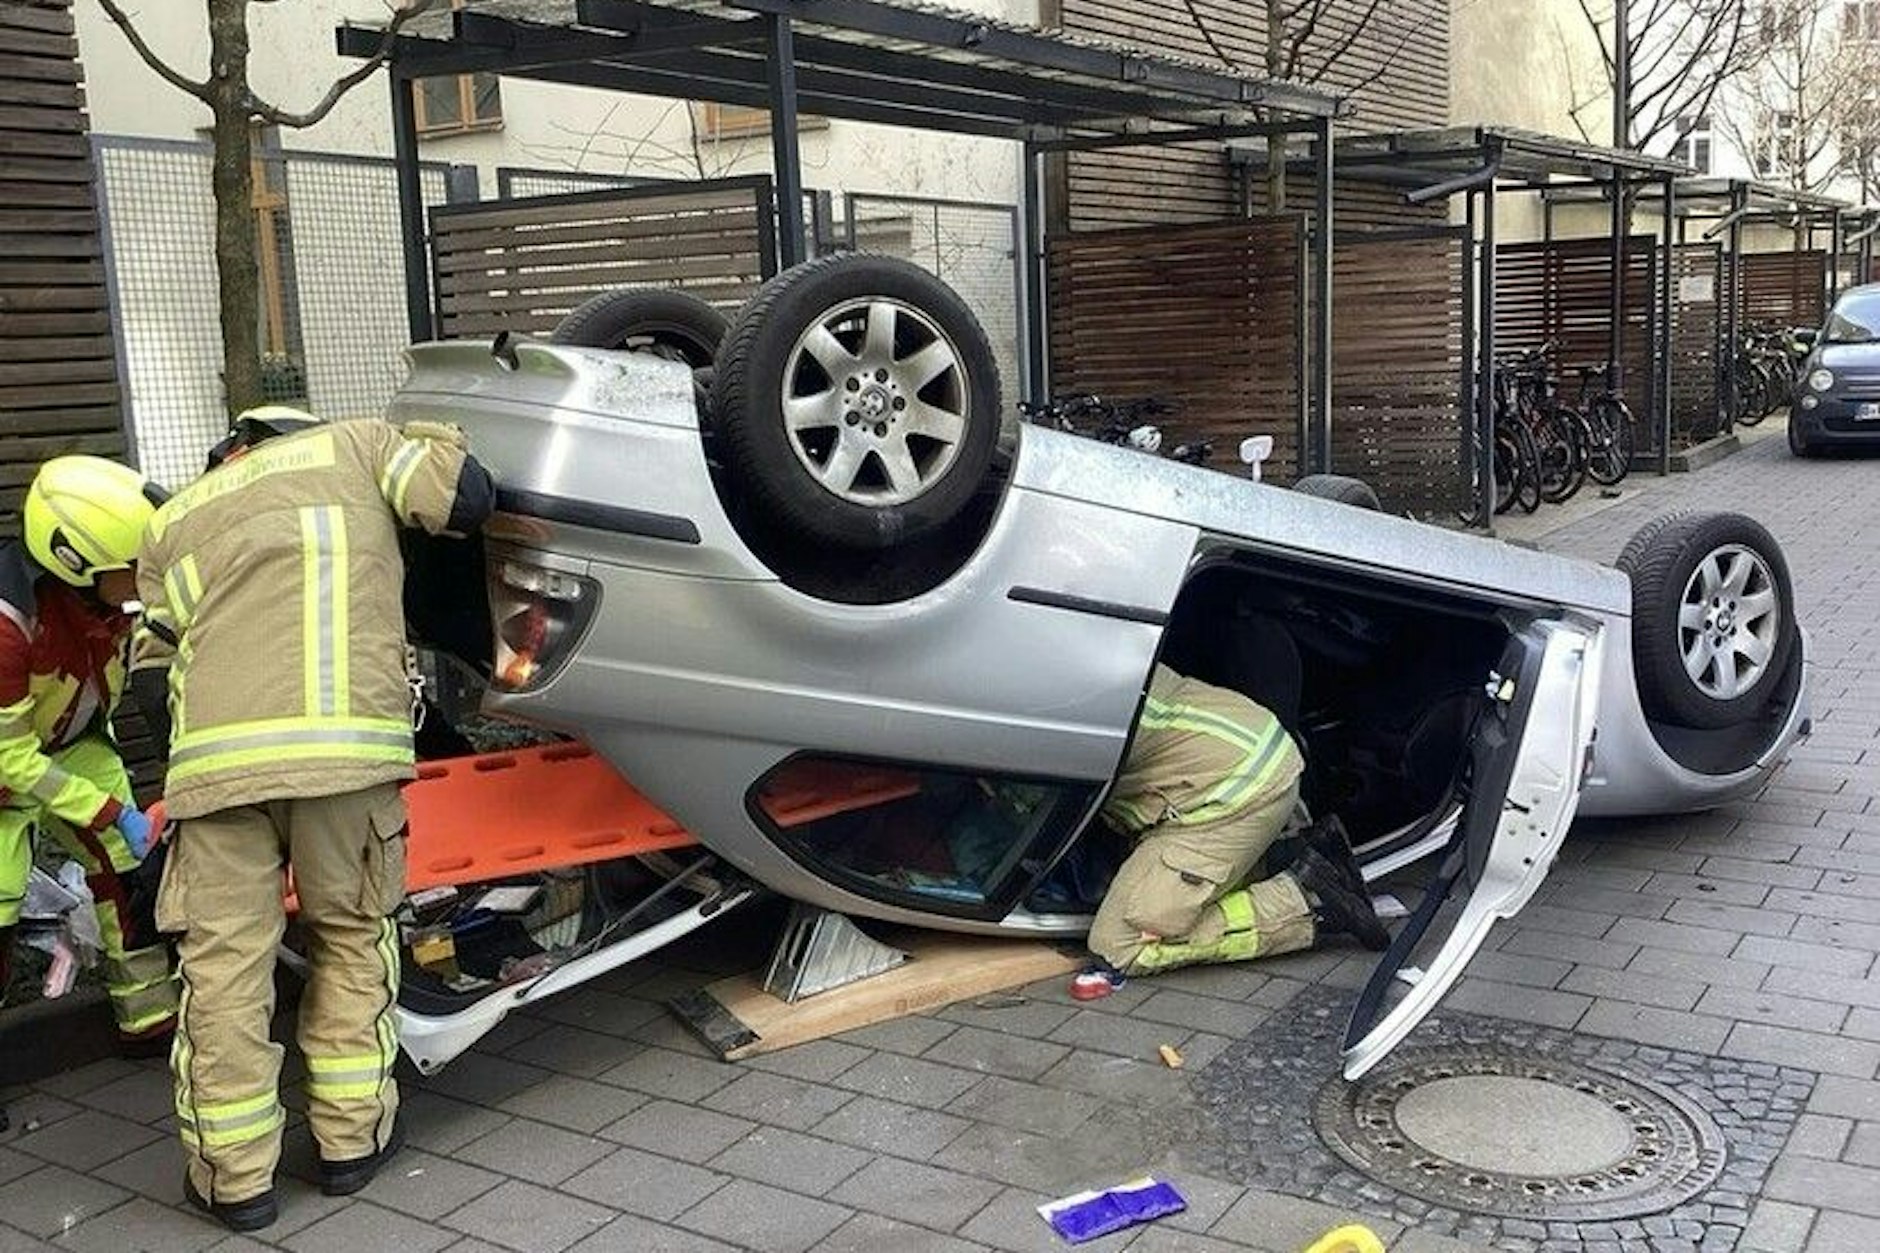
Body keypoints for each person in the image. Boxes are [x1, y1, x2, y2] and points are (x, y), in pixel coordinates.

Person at [131, 406, 494, 1233]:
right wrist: (437, 430)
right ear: (302, 427)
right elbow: (462, 498)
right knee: (352, 935)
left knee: (222, 969)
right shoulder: (362, 444)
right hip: (344, 758)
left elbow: (150, 673)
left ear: (235, 447)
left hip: (216, 774)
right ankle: (349, 1143)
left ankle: (234, 1180)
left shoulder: (178, 514)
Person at [0, 457, 178, 1054]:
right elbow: (12, 761)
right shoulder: (7, 627)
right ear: (73, 564)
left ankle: (148, 1021)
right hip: (8, 768)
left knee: (132, 875)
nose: (142, 577)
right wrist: (107, 811)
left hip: (68, 749)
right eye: (129, 568)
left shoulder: (102, 608)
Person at [1076, 663, 1388, 997]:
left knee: (1121, 946)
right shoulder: (1081, 654)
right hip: (1239, 755)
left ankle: (1307, 900)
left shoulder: (1067, 704)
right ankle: (1288, 854)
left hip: (1233, 790)